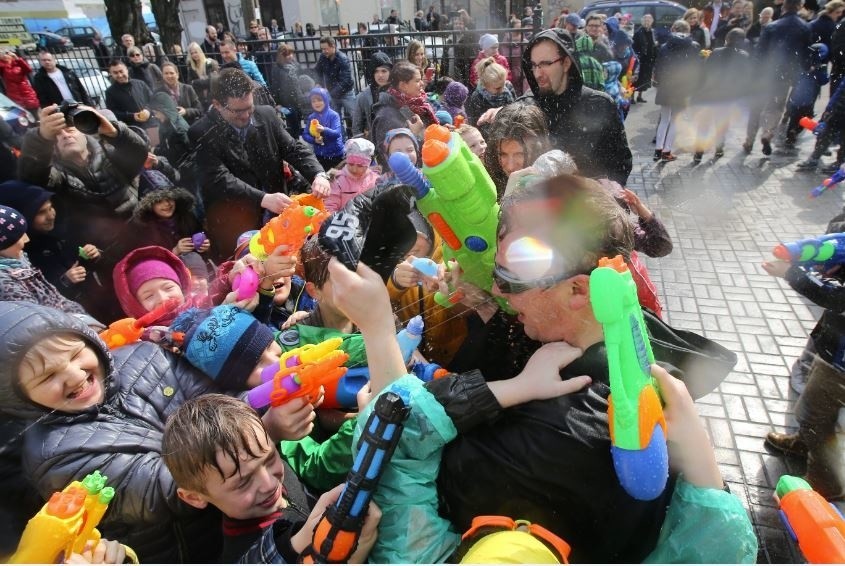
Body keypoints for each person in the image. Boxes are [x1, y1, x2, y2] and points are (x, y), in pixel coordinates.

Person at [320, 173, 755, 563]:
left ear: (578, 291)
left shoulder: (561, 435)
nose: (495, 287)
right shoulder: (639, 347)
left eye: (511, 280)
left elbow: (404, 490)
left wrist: (377, 329)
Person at [0, 300, 245, 562]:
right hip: (192, 551)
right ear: (20, 398)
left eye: (74, 354)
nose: (74, 375)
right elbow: (166, 488)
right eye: (48, 377)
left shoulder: (145, 355)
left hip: (247, 509)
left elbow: (220, 402)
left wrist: (270, 396)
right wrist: (265, 430)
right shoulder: (51, 455)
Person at [162, 394, 381, 562]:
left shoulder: (257, 462)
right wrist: (356, 553)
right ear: (194, 497)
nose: (270, 483)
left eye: (269, 459)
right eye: (243, 482)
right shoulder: (243, 554)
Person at [18, 103, 148, 322]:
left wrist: (114, 131)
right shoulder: (57, 177)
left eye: (70, 129)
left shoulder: (110, 154)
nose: (65, 134)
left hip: (142, 234)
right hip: (102, 256)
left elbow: (138, 152)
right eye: (58, 135)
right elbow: (32, 178)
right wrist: (41, 138)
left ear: (85, 133)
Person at [188, 68, 329, 262]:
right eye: (238, 111)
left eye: (250, 108)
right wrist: (263, 198)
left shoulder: (267, 115)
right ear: (218, 105)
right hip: (234, 222)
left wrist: (319, 175)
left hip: (276, 218)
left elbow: (293, 148)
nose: (246, 116)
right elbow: (218, 179)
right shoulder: (202, 132)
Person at [482, 28, 632, 186]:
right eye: (534, 65)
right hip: (535, 206)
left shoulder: (600, 104)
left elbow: (620, 164)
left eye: (546, 64)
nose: (538, 73)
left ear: (566, 63)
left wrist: (603, 193)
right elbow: (504, 163)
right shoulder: (525, 106)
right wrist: (503, 114)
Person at [762, 236, 845, 500]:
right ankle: (806, 442)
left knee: (814, 413)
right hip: (834, 345)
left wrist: (791, 273)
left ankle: (825, 483)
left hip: (841, 362)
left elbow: (837, 298)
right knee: (813, 408)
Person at [0, 205, 100, 326]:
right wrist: (65, 281)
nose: (26, 239)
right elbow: (37, 321)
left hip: (77, 318)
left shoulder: (19, 258)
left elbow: (51, 295)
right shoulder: (4, 283)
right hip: (66, 331)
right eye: (18, 238)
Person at [753, 0, 812, 156]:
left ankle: (764, 130)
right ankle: (768, 132)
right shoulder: (804, 27)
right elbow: (807, 54)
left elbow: (760, 52)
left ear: (784, 7)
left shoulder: (772, 27)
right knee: (777, 104)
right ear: (799, 7)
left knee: (767, 103)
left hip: (769, 71)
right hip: (788, 73)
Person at [692, 28, 752, 162]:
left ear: (727, 39)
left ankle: (699, 152)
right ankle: (719, 149)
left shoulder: (716, 52)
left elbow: (705, 71)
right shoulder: (744, 56)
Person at [371, 61, 439, 165]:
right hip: (406, 178)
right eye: (417, 80)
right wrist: (414, 134)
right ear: (403, 85)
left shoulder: (415, 105)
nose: (422, 83)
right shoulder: (386, 116)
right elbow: (388, 158)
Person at [653, 20, 701, 162]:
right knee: (675, 121)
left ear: (674, 29)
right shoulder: (693, 47)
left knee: (664, 119)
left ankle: (657, 150)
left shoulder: (664, 46)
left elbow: (659, 67)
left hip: (666, 86)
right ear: (688, 31)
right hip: (682, 88)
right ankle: (667, 151)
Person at [484, 101, 550, 197]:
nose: (510, 167)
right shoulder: (488, 182)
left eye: (520, 154)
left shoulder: (555, 183)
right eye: (502, 154)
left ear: (538, 148)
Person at [326, 138, 379, 212]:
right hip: (345, 221)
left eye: (360, 166)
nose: (354, 169)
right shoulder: (338, 180)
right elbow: (330, 206)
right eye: (351, 164)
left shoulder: (375, 180)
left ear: (368, 164)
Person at [314, 36, 355, 129]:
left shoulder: (342, 58)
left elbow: (346, 80)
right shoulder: (323, 57)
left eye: (326, 49)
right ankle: (340, 140)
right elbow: (318, 71)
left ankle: (358, 136)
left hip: (346, 93)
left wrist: (330, 93)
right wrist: (319, 83)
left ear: (333, 46)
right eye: (322, 49)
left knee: (356, 116)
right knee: (335, 121)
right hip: (333, 92)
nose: (324, 51)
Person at [301, 87, 345, 171]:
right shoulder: (312, 117)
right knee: (325, 178)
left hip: (336, 154)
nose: (316, 103)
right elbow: (305, 134)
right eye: (313, 101)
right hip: (320, 154)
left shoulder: (334, 115)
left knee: (338, 179)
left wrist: (324, 130)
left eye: (319, 100)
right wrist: (314, 140)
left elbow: (337, 133)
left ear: (325, 100)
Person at [104, 58, 155, 130]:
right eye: (115, 73)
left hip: (151, 125)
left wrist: (148, 110)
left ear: (127, 70)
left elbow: (154, 100)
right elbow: (113, 113)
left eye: (121, 71)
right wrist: (131, 116)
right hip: (132, 129)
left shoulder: (140, 84)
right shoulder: (110, 92)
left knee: (156, 141)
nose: (120, 75)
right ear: (111, 74)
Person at [352, 51, 392, 138]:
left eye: (384, 71)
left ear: (390, 72)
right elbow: (356, 127)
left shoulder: (398, 92)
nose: (380, 75)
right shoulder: (363, 96)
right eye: (376, 71)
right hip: (373, 145)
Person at [466, 58, 516, 128]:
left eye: (503, 84)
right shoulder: (478, 97)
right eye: (497, 88)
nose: (502, 89)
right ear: (485, 85)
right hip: (490, 134)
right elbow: (477, 123)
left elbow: (516, 109)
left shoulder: (508, 87)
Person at [632, 14, 658, 102]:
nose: (647, 22)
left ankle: (640, 96)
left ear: (652, 22)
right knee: (637, 78)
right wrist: (638, 56)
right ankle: (632, 97)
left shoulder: (652, 31)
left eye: (649, 20)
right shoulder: (638, 32)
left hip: (649, 59)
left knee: (645, 79)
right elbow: (634, 46)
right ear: (642, 22)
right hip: (641, 59)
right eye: (645, 20)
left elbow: (654, 44)